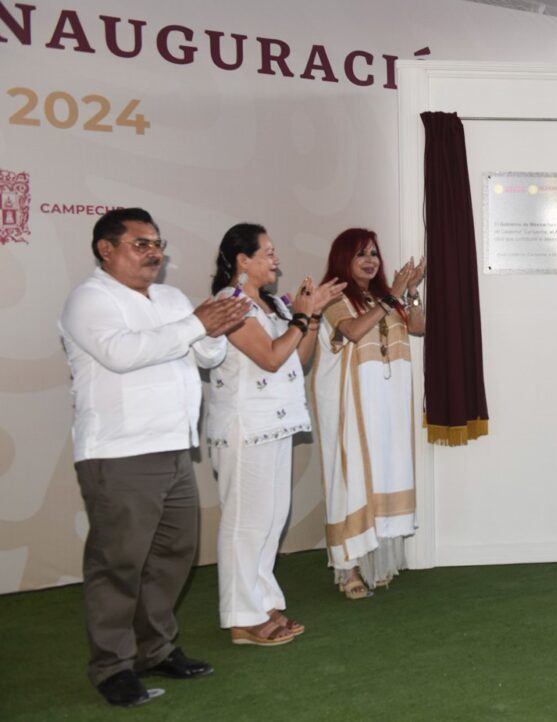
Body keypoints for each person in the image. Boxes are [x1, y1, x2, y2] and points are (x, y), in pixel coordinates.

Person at [59, 208, 250, 707]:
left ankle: (155, 649)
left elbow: (206, 357)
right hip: (118, 453)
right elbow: (122, 354)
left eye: (157, 243)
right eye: (140, 244)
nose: (154, 252)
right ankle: (111, 667)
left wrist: (212, 327)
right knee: (119, 564)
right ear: (106, 249)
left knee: (172, 558)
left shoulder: (169, 298)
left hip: (173, 447)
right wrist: (194, 325)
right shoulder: (89, 299)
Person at [206, 223, 344, 645]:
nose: (276, 259)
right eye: (267, 252)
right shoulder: (229, 305)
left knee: (270, 521)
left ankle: (263, 602)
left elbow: (296, 359)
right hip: (245, 427)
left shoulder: (271, 307)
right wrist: (301, 315)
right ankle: (240, 617)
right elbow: (268, 358)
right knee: (245, 524)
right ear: (242, 261)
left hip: (276, 424)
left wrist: (312, 314)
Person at [311, 228, 425, 599]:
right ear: (343, 258)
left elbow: (420, 327)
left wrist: (409, 292)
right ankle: (349, 568)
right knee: (352, 477)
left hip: (386, 403)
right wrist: (391, 297)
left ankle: (378, 561)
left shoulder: (382, 297)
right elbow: (354, 331)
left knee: (383, 473)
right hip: (350, 404)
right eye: (361, 253)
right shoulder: (332, 295)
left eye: (374, 253)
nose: (370, 260)